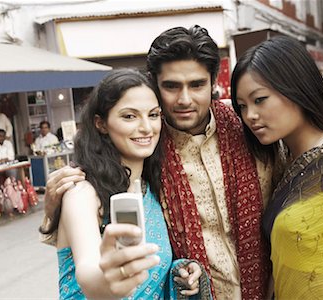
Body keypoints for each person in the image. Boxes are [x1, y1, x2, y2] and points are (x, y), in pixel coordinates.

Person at [42, 25, 273, 300]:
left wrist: (182, 270)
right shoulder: (149, 153)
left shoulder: (251, 133)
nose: (184, 99)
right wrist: (52, 214)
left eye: (197, 85)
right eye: (171, 86)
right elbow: (88, 265)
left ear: (214, 83)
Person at [41, 68, 211, 299]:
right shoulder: (82, 192)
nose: (146, 127)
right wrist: (107, 279)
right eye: (129, 116)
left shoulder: (150, 189)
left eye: (152, 115)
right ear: (101, 124)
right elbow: (90, 273)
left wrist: (180, 271)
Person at [231, 36, 323, 299]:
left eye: (260, 99)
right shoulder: (282, 164)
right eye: (242, 106)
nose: (250, 116)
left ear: (296, 88)